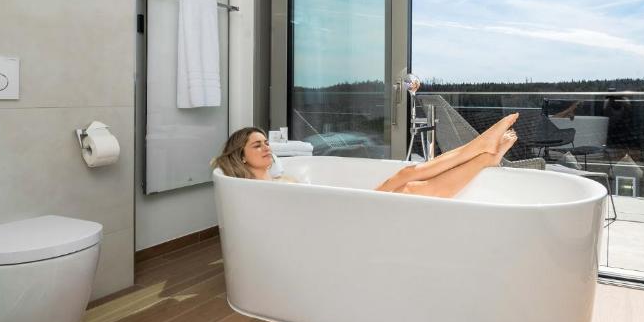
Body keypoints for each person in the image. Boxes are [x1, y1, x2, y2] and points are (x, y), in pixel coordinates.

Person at [212, 114, 519, 199]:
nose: (267, 147)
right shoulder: (251, 188)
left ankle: (480, 153)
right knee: (408, 182)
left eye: (266, 142)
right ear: (240, 156)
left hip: (348, 210)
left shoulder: (275, 178)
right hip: (340, 220)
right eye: (257, 145)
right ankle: (478, 153)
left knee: (409, 182)